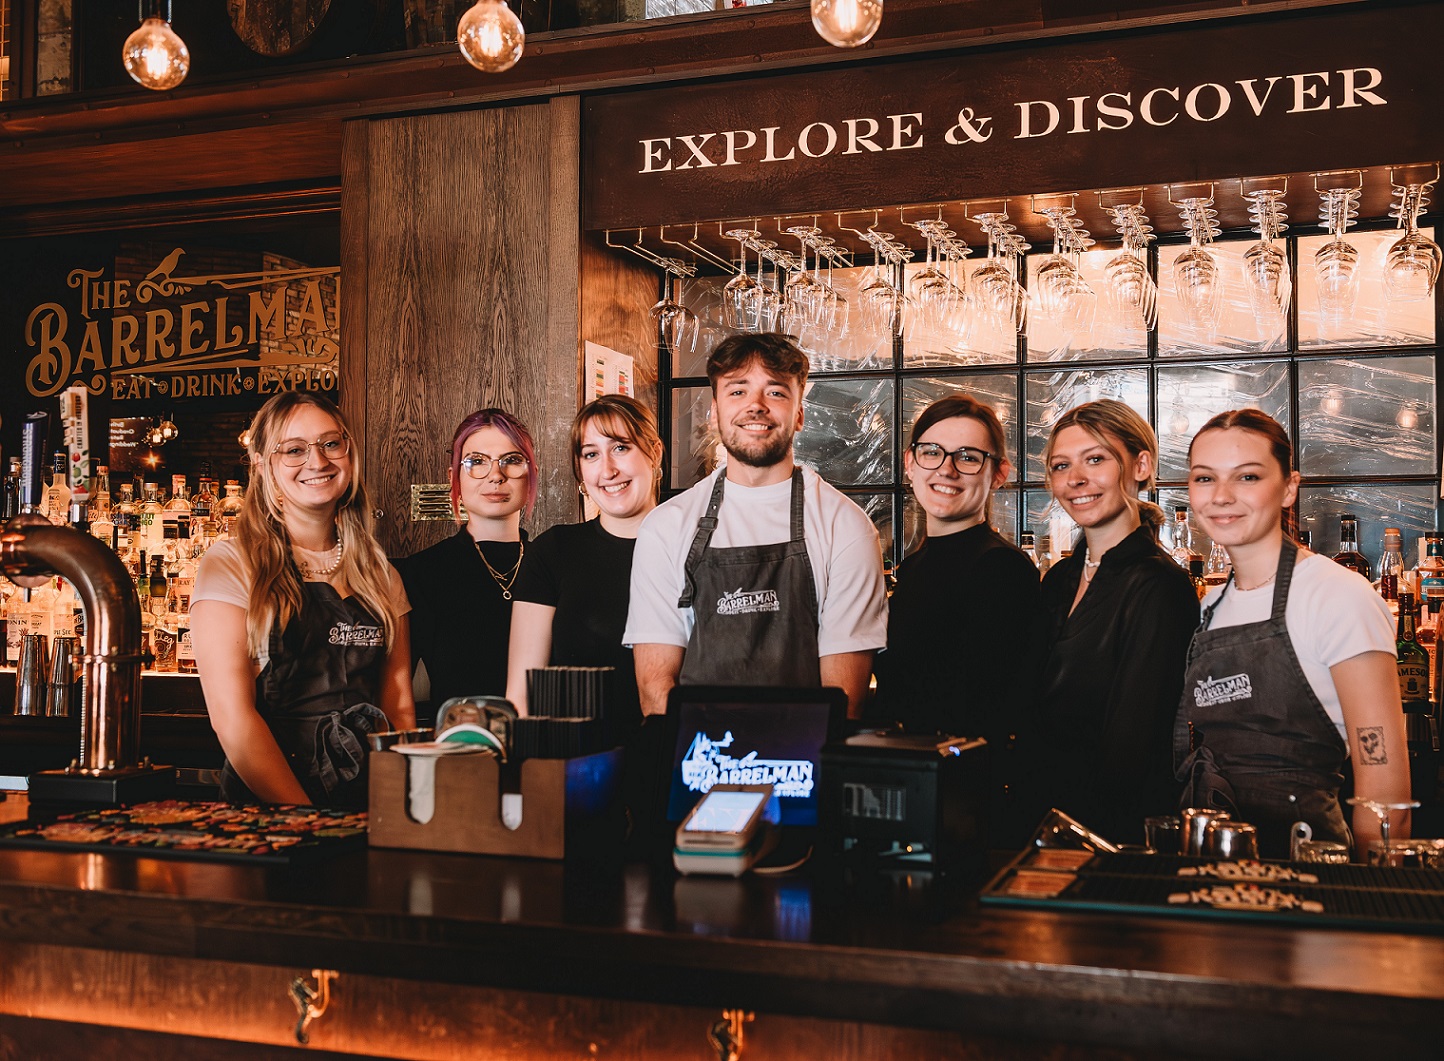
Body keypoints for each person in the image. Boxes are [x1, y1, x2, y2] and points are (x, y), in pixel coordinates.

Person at [1176, 409, 1411, 858]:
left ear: (1288, 488)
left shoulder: (1338, 596)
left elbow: (1387, 795)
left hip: (1307, 871)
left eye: (1247, 477)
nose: (1222, 496)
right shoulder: (1211, 606)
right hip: (1211, 866)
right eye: (1204, 478)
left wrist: (1366, 899)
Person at [625, 332, 887, 719]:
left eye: (776, 392)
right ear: (714, 411)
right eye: (738, 391)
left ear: (799, 413)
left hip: (803, 766)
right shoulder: (665, 528)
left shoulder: (846, 527)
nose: (756, 406)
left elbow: (844, 702)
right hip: (696, 764)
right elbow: (656, 692)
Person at [191, 392, 415, 807]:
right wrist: (305, 818)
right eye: (294, 450)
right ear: (262, 465)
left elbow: (397, 707)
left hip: (367, 799)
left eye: (331, 443)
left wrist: (395, 807)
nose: (318, 462)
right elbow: (233, 720)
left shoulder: (381, 574)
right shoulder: (233, 564)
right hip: (271, 810)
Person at [1027, 399, 1199, 843]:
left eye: (1096, 459)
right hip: (1043, 823)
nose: (1076, 479)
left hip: (1110, 837)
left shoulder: (1161, 585)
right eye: (1061, 465)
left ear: (1141, 465)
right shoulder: (1060, 579)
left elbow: (1133, 745)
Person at [872, 394, 1040, 739]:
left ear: (998, 474)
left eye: (968, 457)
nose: (946, 469)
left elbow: (997, 714)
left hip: (959, 782)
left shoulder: (1002, 569)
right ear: (910, 463)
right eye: (932, 452)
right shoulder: (916, 566)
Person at [505, 394, 664, 738]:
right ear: (580, 470)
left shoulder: (692, 547)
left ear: (655, 452)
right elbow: (521, 695)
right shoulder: (554, 550)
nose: (607, 470)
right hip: (574, 765)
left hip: (673, 756)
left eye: (621, 448)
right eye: (591, 454)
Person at [398, 408, 536, 726]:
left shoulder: (551, 564)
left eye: (511, 460)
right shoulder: (422, 573)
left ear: (531, 472)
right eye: (476, 461)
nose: (495, 475)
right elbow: (397, 691)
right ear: (453, 477)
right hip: (460, 755)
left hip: (549, 757)